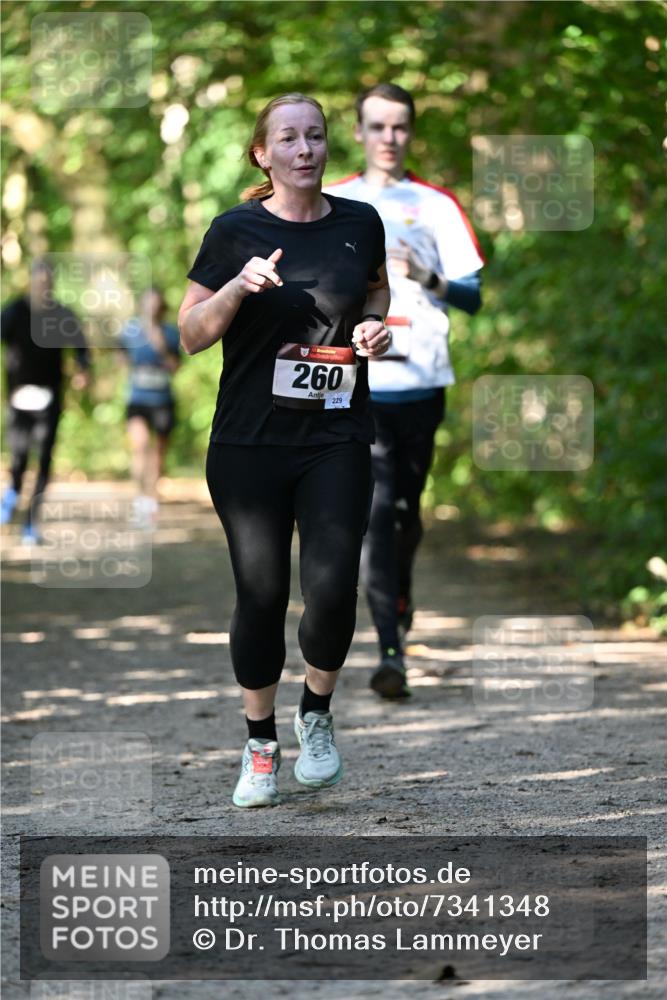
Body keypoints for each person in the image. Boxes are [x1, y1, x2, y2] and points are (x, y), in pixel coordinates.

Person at [178, 93, 391, 808]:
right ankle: (260, 742)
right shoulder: (233, 230)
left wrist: (370, 329)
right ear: (262, 155)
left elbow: (374, 292)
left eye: (316, 136)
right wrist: (238, 287)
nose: (305, 149)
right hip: (248, 444)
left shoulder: (360, 223)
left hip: (335, 435)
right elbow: (191, 333)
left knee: (331, 589)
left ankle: (317, 715)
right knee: (262, 596)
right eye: (289, 139)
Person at [325, 83, 484, 698]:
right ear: (359, 132)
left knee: (404, 514)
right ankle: (391, 654)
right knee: (376, 514)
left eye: (400, 128)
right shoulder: (334, 200)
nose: (389, 138)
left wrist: (428, 276)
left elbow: (472, 296)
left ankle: (400, 597)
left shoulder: (436, 205)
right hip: (353, 383)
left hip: (420, 384)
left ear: (411, 134)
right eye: (377, 126)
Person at [1, 259, 90, 543]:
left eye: (48, 284)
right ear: (31, 282)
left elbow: (81, 347)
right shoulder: (14, 311)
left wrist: (83, 369)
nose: (43, 289)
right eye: (39, 283)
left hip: (49, 398)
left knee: (44, 461)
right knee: (19, 458)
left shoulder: (61, 314)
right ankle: (12, 494)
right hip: (19, 398)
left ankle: (31, 522)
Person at [120, 287, 181, 525]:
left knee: (157, 454)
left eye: (157, 304)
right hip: (137, 399)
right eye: (148, 303)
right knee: (139, 447)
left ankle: (152, 501)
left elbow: (175, 367)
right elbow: (121, 356)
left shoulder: (171, 333)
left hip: (162, 400)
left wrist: (160, 345)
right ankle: (139, 499)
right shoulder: (130, 330)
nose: (152, 308)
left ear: (161, 307)